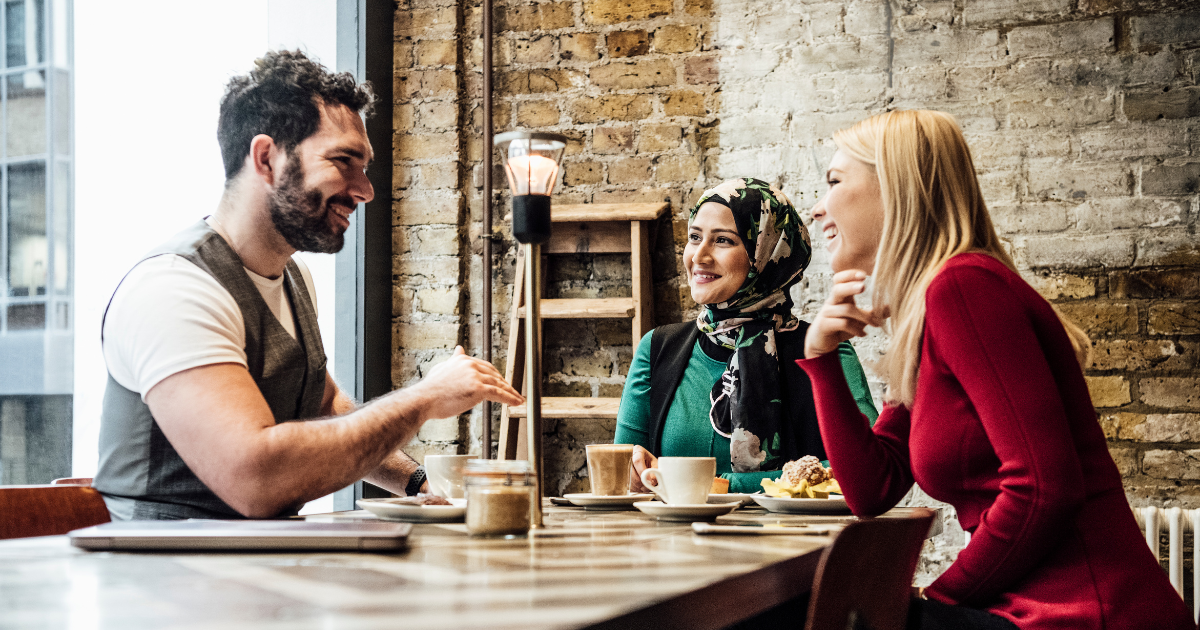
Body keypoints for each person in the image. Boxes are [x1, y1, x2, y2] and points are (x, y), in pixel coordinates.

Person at [801, 110, 1191, 629]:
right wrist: (822, 359)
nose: (816, 208)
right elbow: (873, 487)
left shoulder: (963, 287)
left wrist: (939, 595)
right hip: (1028, 610)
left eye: (833, 182)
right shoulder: (931, 307)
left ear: (897, 188)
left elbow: (1044, 486)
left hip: (1084, 616)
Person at [92, 50, 522, 521]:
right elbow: (256, 480)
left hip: (258, 572)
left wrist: (419, 484)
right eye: (344, 161)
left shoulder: (294, 280)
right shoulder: (174, 290)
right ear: (266, 158)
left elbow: (327, 409)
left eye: (365, 166)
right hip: (165, 580)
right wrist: (423, 399)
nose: (365, 189)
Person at [615, 178, 878, 494]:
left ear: (767, 253)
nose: (699, 256)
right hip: (675, 541)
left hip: (795, 540)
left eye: (723, 240)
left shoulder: (824, 351)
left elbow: (866, 468)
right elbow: (625, 470)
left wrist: (722, 486)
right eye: (695, 237)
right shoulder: (658, 348)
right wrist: (632, 470)